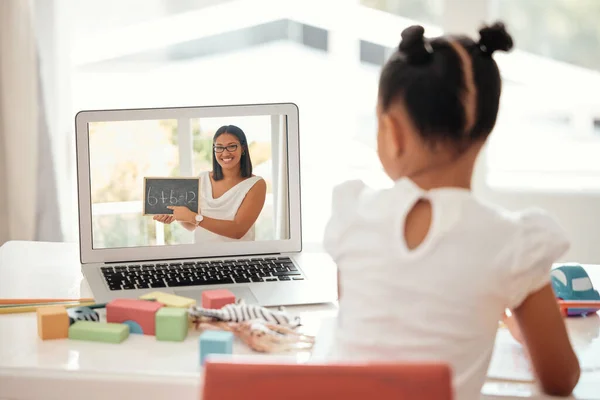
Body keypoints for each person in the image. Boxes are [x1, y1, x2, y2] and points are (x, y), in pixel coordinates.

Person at [322, 22, 580, 399]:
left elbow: (369, 320)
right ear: (486, 131)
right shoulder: (513, 243)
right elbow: (561, 379)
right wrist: (519, 323)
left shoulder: (355, 216)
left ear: (392, 133)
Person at [154, 125, 266, 242]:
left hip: (238, 256)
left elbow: (238, 230)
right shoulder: (202, 178)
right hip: (202, 254)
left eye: (231, 146)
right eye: (219, 147)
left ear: (242, 148)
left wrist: (193, 217)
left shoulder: (255, 184)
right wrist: (179, 216)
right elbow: (192, 226)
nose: (225, 153)